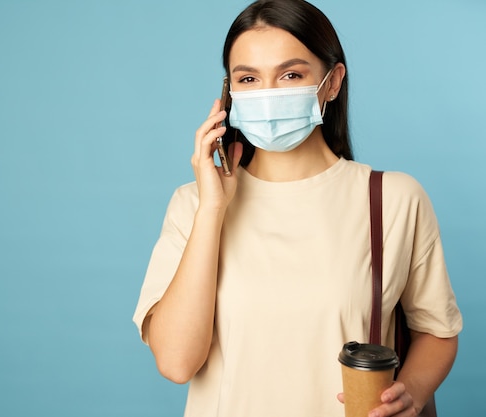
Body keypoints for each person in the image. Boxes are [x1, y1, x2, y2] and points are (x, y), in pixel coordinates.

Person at [133, 0, 462, 416]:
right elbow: (177, 363)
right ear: (228, 94)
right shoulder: (193, 205)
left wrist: (410, 392)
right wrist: (212, 210)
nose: (268, 94)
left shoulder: (394, 198)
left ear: (332, 81)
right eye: (249, 78)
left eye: (290, 74)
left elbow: (437, 331)